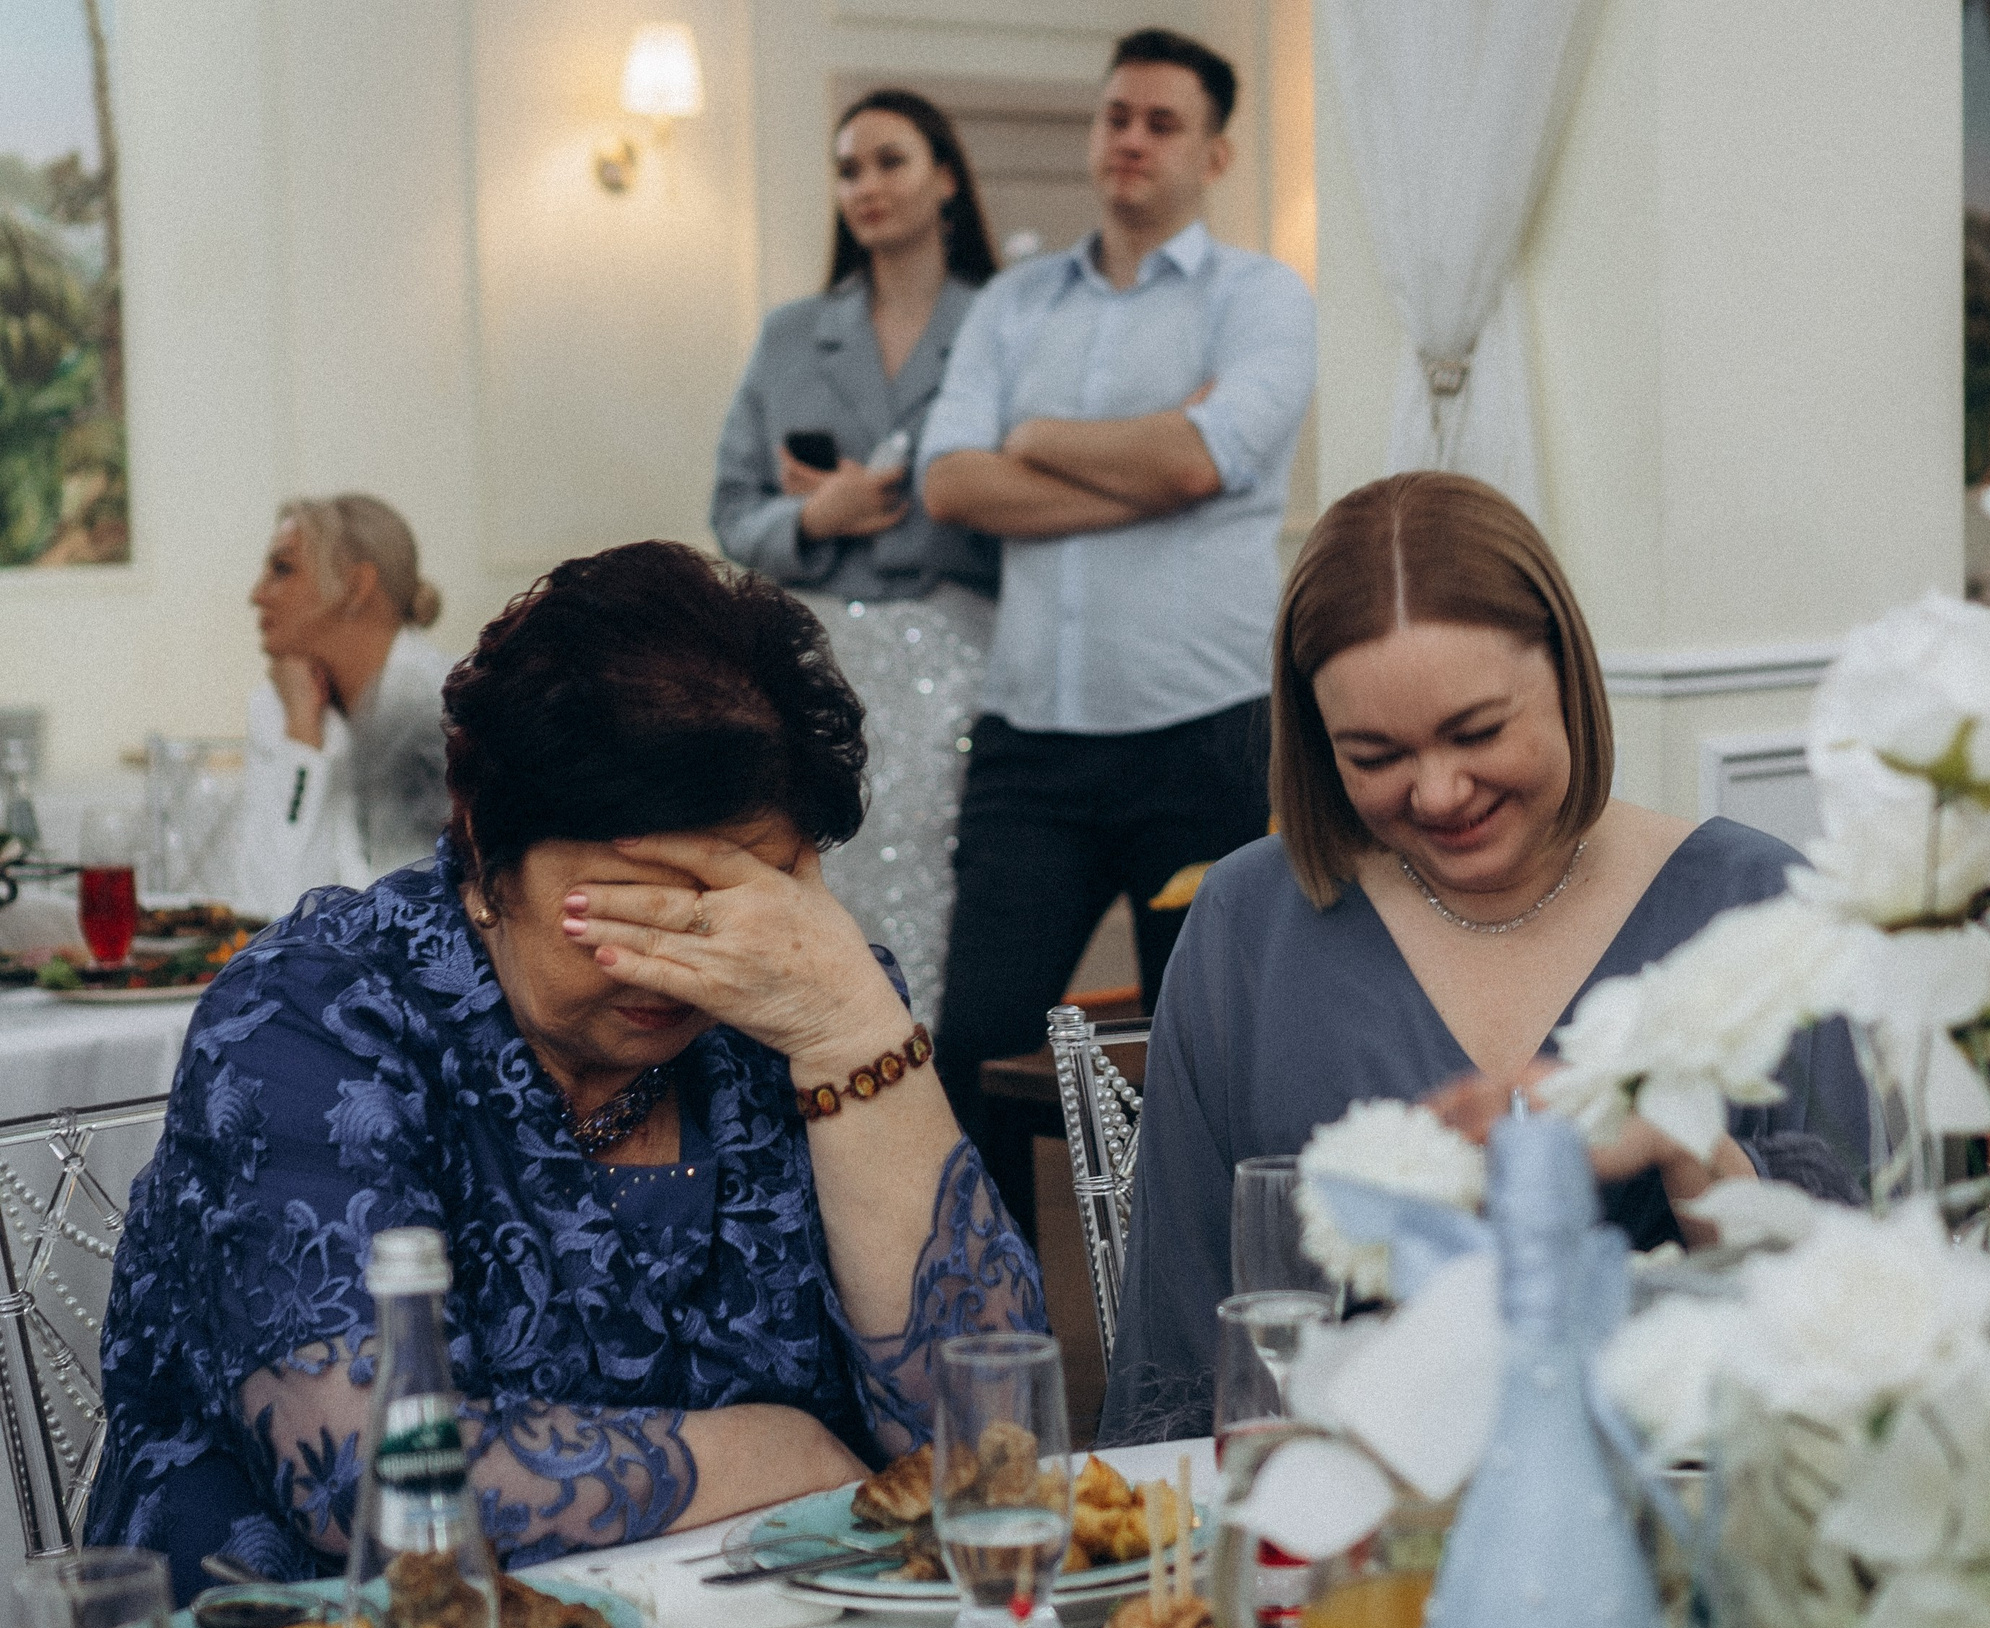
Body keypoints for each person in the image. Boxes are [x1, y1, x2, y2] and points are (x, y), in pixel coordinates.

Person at [90, 542, 1043, 1601]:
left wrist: (855, 1039)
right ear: (483, 837)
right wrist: (778, 1453)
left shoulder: (792, 991)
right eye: (628, 902)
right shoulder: (311, 1022)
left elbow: (989, 1443)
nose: (681, 958)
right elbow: (364, 1478)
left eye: (737, 892)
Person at [1095, 473, 1866, 1444]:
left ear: (1567, 673)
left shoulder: (1755, 908)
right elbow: (1186, 1343)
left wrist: (1683, 1143)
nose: (1440, 790)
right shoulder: (1246, 923)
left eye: (1478, 731)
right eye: (1375, 754)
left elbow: (1843, 1334)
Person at [916, 27, 1317, 1229]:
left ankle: (1204, 1344)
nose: (1129, 140)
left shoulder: (1262, 297)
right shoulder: (1013, 304)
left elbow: (1204, 459)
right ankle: (984, 1334)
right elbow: (947, 484)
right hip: (1032, 739)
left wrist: (1033, 438)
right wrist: (1144, 459)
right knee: (975, 1048)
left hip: (1206, 732)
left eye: (1159, 122)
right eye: (1115, 117)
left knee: (1209, 1060)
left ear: (1215, 150)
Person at [712, 89, 1002, 1028]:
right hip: (822, 652)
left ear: (945, 178)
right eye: (849, 168)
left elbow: (1030, 501)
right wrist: (816, 519)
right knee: (823, 871)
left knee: (945, 893)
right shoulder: (793, 334)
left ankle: (929, 1116)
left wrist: (916, 507)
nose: (866, 185)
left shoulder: (1001, 321)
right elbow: (732, 513)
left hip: (962, 651)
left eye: (890, 161)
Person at [235, 495, 450, 918]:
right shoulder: (280, 707)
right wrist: (303, 735)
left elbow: (413, 917)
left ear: (356, 587)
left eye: (282, 569)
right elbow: (268, 910)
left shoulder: (441, 710)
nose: (256, 595)